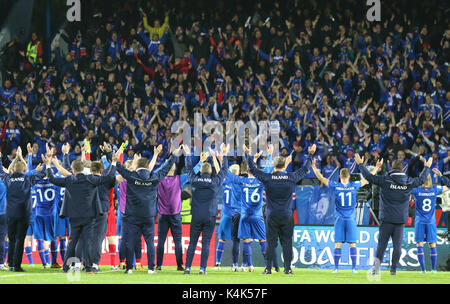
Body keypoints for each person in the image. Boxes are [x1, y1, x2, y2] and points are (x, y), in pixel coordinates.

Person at [245, 144, 317, 275]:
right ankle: (288, 268)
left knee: (271, 243)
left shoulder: (268, 178)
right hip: (286, 215)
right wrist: (310, 154)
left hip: (271, 215)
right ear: (285, 166)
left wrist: (249, 155)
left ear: (273, 165)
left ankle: (268, 269)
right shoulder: (291, 177)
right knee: (287, 242)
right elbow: (306, 168)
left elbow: (252, 169)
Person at [356, 154, 432, 276]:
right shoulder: (408, 182)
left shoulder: (385, 180)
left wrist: (360, 164)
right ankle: (393, 270)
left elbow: (369, 177)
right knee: (397, 247)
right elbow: (421, 180)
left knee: (381, 246)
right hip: (400, 220)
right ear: (403, 169)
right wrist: (427, 167)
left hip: (386, 219)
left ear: (392, 168)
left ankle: (376, 269)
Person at [45, 154, 117, 274]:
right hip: (89, 216)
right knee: (87, 242)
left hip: (74, 216)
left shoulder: (70, 180)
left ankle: (66, 268)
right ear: (83, 169)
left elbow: (52, 179)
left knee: (72, 242)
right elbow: (109, 177)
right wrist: (114, 163)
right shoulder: (90, 179)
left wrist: (48, 165)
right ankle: (88, 268)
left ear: (73, 170)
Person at [115, 146, 179, 274]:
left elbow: (119, 168)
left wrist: (114, 157)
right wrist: (173, 155)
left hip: (132, 215)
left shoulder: (132, 176)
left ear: (137, 165)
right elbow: (166, 168)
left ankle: (128, 268)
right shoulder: (154, 177)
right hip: (148, 216)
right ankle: (151, 268)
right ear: (147, 166)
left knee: (130, 241)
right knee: (150, 242)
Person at [311, 158, 382, 273]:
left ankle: (336, 268)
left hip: (339, 218)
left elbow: (320, 178)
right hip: (350, 218)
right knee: (352, 244)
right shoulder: (354, 185)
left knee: (338, 244)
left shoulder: (335, 185)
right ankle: (354, 268)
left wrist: (314, 167)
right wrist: (377, 168)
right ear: (349, 176)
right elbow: (368, 178)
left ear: (339, 176)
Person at [225, 148, 274, 272]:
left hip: (244, 215)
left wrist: (224, 156)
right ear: (256, 170)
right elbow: (268, 170)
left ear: (246, 171)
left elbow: (226, 173)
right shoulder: (261, 180)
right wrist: (269, 155)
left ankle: (250, 266)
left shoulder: (242, 180)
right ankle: (268, 267)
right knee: (263, 240)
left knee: (246, 240)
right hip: (257, 215)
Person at [183, 144, 228, 275]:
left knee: (192, 243)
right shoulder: (215, 182)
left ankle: (187, 268)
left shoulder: (194, 180)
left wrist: (187, 155)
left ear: (201, 171)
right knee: (206, 243)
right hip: (210, 216)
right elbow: (224, 170)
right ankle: (202, 269)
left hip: (196, 216)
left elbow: (189, 169)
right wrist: (224, 155)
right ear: (210, 172)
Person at [156, 148, 202, 271]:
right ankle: (179, 265)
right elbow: (193, 172)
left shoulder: (158, 179)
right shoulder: (179, 179)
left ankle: (159, 265)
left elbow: (156, 171)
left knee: (161, 241)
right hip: (175, 215)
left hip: (162, 215)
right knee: (178, 241)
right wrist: (201, 162)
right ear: (174, 168)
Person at [0, 147, 45, 272]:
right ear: (25, 169)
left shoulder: (7, 178)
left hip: (9, 213)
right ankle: (17, 265)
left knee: (12, 239)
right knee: (20, 239)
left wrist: (10, 158)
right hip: (24, 214)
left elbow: (1, 170)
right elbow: (42, 173)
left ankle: (10, 264)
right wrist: (47, 162)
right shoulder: (27, 178)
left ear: (12, 169)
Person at [411, 174, 449, 273]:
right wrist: (441, 175)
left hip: (420, 221)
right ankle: (433, 269)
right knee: (432, 244)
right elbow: (448, 186)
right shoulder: (435, 189)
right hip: (431, 221)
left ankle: (423, 270)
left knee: (420, 244)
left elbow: (404, 188)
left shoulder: (416, 190)